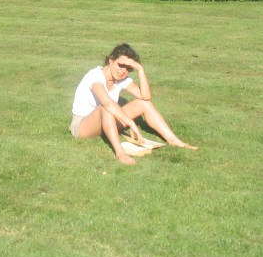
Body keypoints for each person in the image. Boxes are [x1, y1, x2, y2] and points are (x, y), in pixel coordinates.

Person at [70, 43, 198, 165]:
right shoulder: (95, 76)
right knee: (105, 108)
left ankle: (173, 140)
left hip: (108, 122)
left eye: (128, 68)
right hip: (83, 126)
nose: (123, 71)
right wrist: (131, 123)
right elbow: (107, 103)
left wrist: (140, 70)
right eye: (121, 65)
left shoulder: (121, 79)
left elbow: (145, 97)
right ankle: (120, 153)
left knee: (144, 104)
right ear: (111, 61)